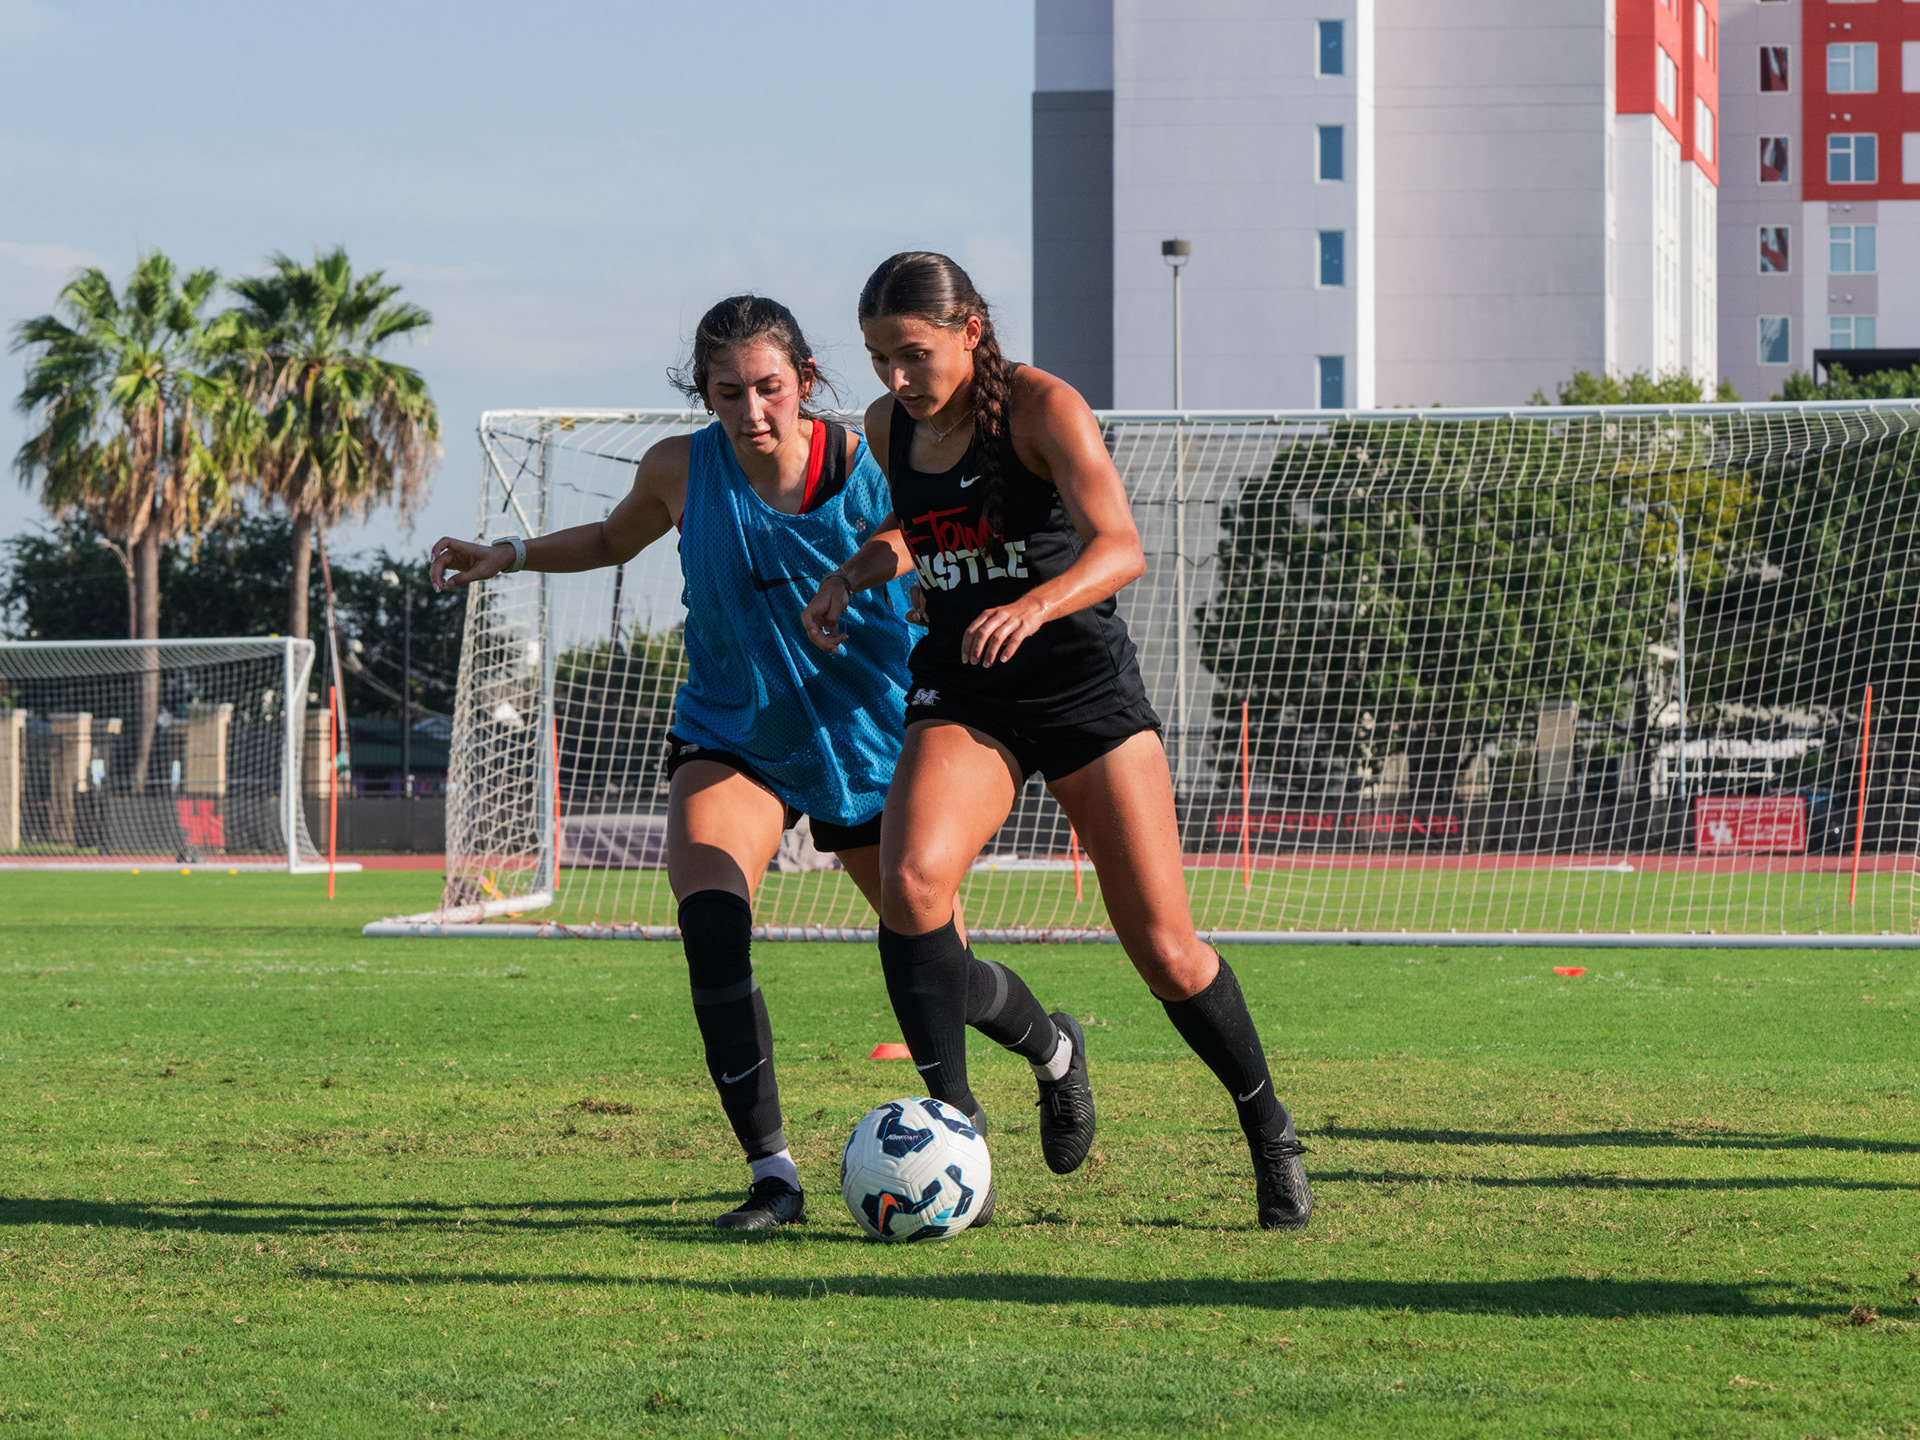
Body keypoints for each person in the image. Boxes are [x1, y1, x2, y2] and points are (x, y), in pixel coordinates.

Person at [428, 295, 1081, 1231]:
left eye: (769, 387)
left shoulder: (867, 461)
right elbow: (612, 539)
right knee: (710, 922)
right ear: (705, 393)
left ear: (804, 381)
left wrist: (889, 575)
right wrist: (510, 552)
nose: (751, 410)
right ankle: (773, 1175)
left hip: (867, 740)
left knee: (940, 969)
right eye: (727, 392)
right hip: (734, 731)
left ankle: (1052, 1053)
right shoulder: (678, 469)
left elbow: (923, 531)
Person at [802, 253, 1312, 1229]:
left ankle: (1270, 1129)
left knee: (1165, 951)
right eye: (878, 359)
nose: (895, 379)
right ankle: (958, 1134)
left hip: (1082, 692)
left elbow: (1120, 545)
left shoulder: (1043, 408)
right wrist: (853, 574)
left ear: (970, 332)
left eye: (912, 355)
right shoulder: (888, 426)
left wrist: (1034, 605)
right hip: (967, 689)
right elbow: (923, 530)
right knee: (912, 885)